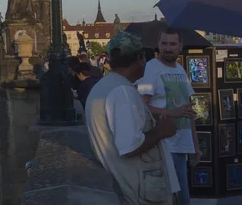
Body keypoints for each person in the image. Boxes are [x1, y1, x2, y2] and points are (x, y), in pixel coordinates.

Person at [86, 31, 180, 204]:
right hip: (139, 191)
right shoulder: (123, 92)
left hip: (127, 187)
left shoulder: (104, 86)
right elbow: (130, 146)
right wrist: (161, 131)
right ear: (139, 58)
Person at [137, 28, 200, 205]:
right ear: (158, 44)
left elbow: (189, 110)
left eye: (172, 44)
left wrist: (195, 145)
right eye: (164, 43)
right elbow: (142, 106)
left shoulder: (180, 70)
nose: (168, 48)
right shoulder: (151, 68)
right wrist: (170, 113)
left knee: (180, 198)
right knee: (178, 199)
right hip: (164, 146)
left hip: (181, 144)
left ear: (180, 46)